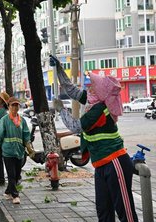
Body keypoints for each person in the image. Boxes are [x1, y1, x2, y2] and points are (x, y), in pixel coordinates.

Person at [50, 55, 138, 222]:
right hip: (101, 164)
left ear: (100, 92)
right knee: (103, 211)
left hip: (115, 162)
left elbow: (76, 126)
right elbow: (72, 90)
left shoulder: (98, 109)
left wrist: (61, 110)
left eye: (92, 87)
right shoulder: (93, 102)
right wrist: (59, 69)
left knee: (125, 212)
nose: (89, 89)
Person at [0, 97, 32, 204]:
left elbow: (26, 135)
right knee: (11, 174)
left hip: (19, 152)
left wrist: (29, 148)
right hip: (8, 151)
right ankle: (15, 195)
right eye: (12, 105)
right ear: (9, 107)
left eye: (16, 105)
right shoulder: (4, 120)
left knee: (17, 174)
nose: (15, 107)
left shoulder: (22, 120)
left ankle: (8, 191)